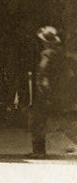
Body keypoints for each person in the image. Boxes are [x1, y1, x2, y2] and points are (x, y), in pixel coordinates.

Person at [28, 25, 77, 157]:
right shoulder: (61, 54)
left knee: (38, 122)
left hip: (47, 94)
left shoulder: (47, 54)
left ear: (45, 42)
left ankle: (39, 151)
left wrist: (43, 90)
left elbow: (43, 72)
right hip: (59, 93)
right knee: (66, 123)